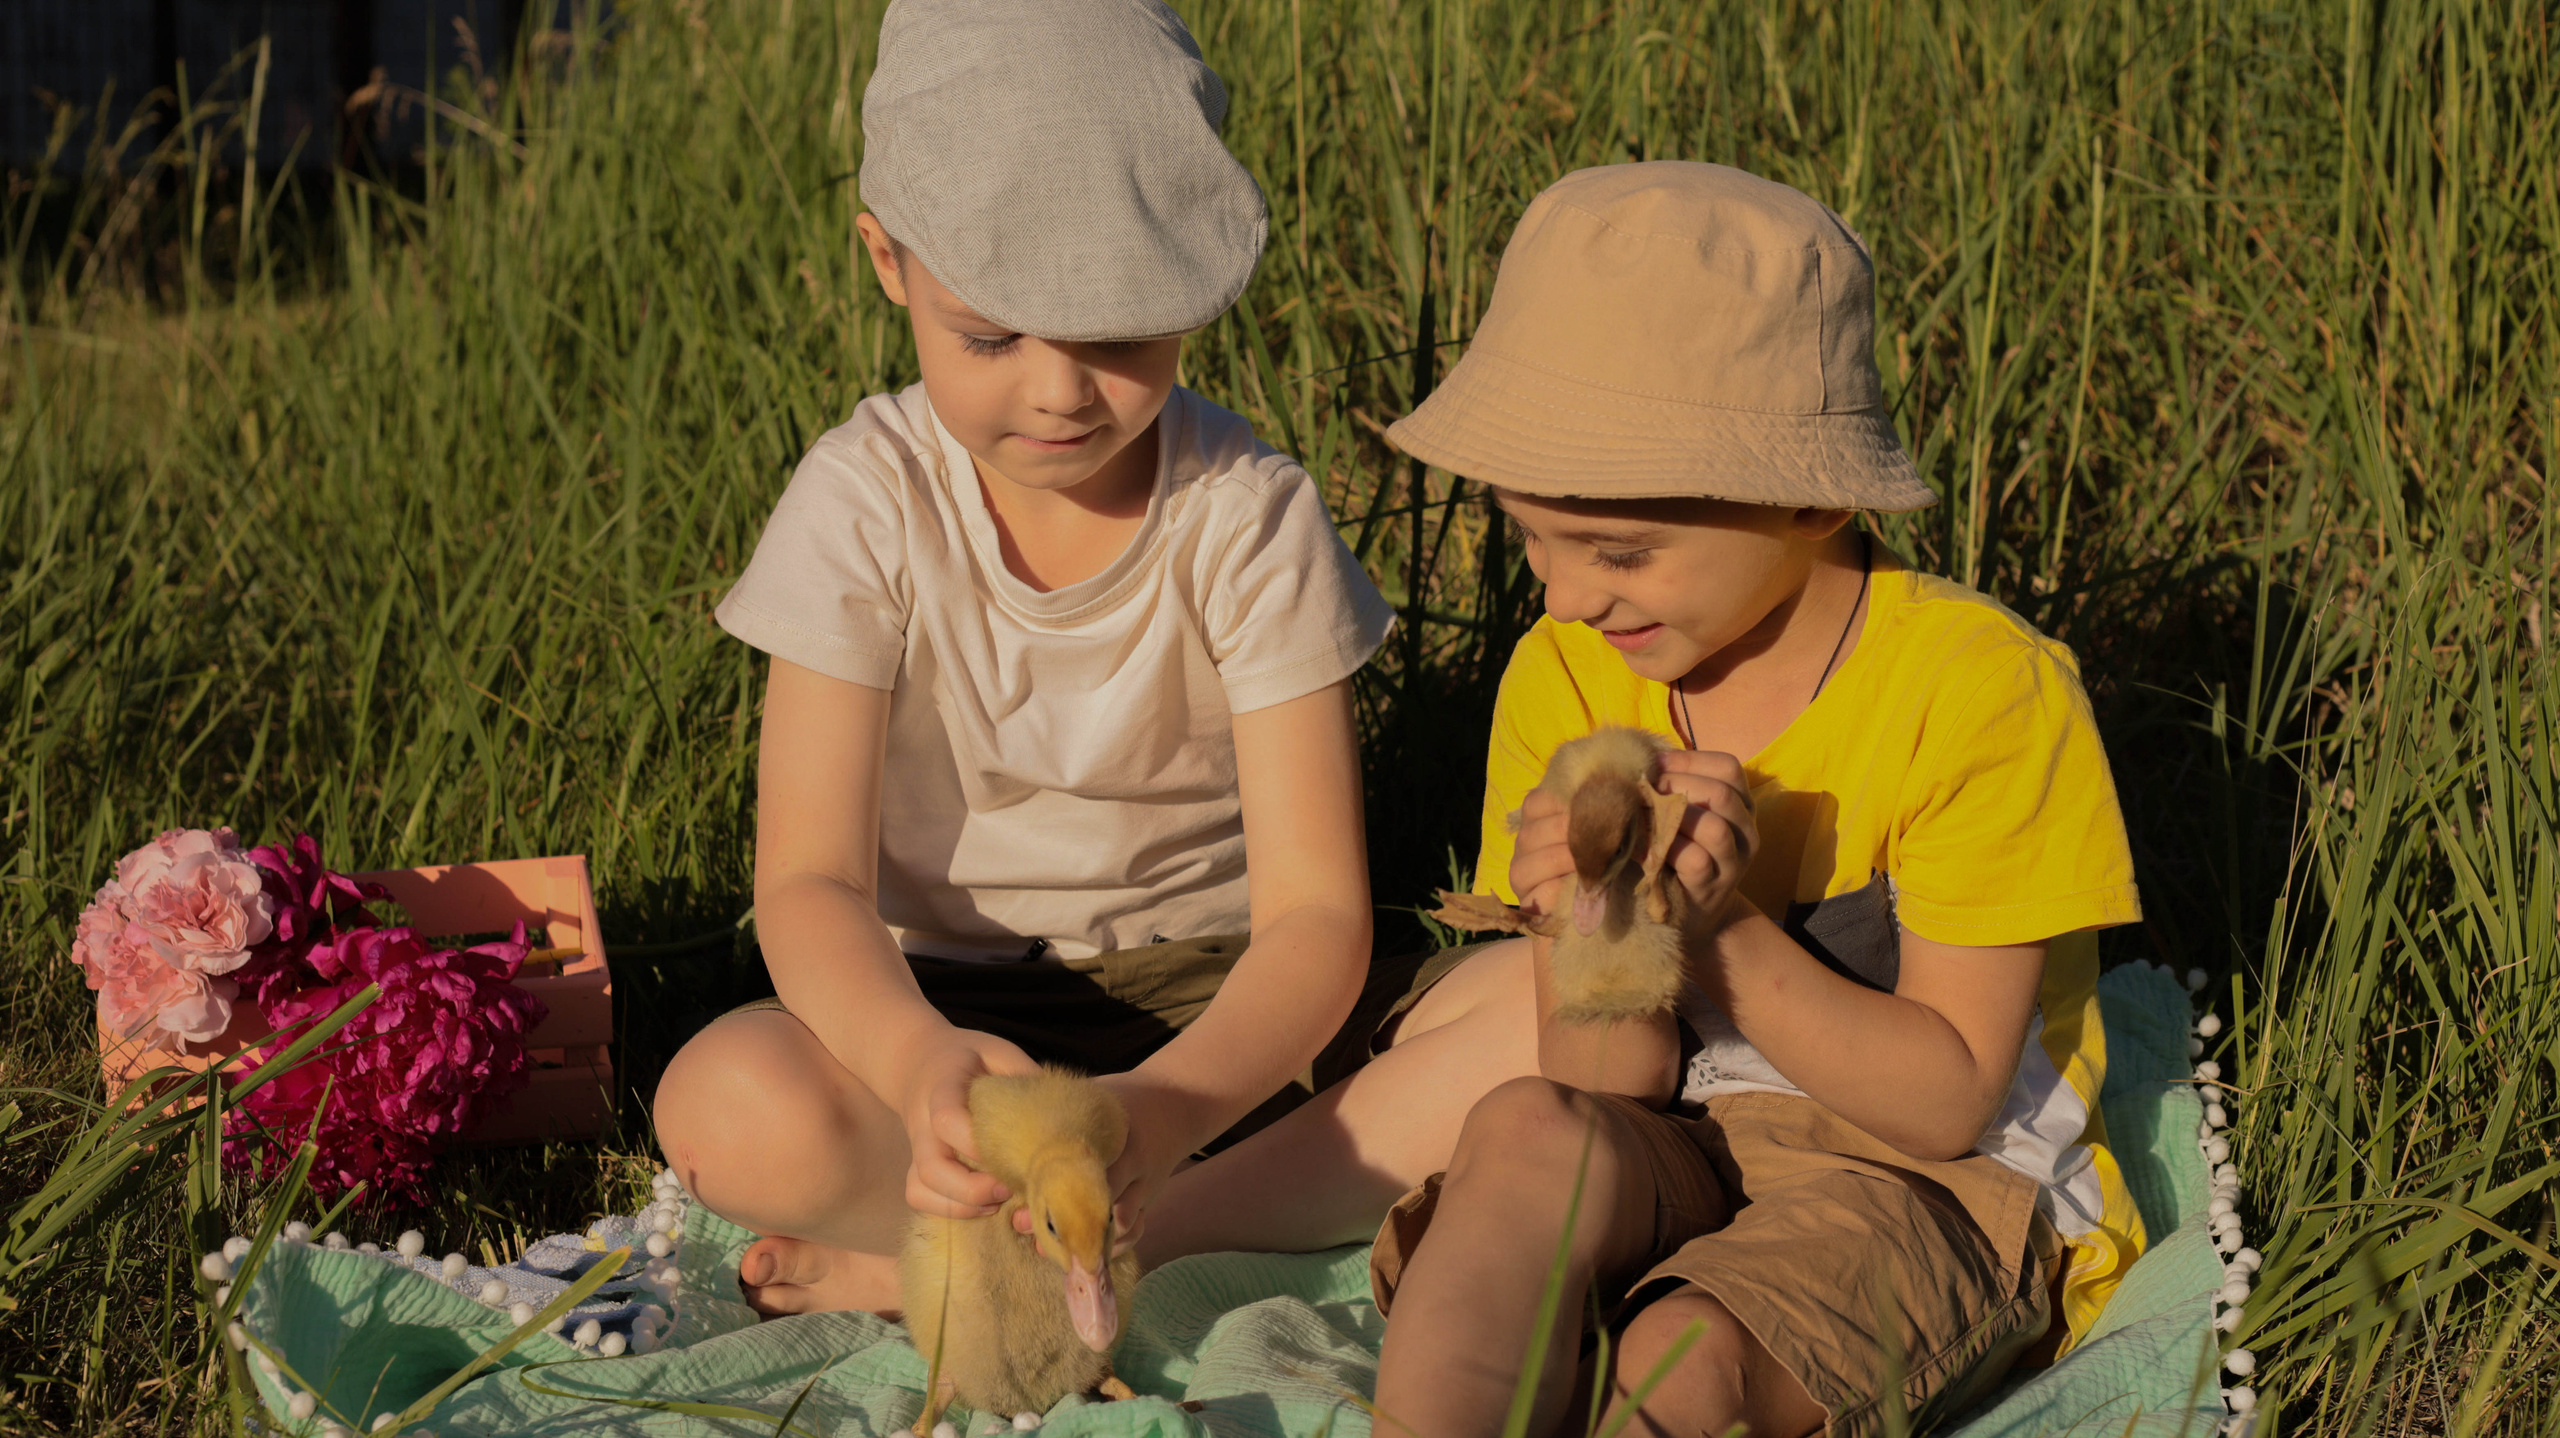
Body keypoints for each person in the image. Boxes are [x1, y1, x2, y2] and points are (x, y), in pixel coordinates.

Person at [650, 0, 1430, 1316]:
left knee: (1560, 1026)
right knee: (724, 1099)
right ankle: (1057, 1242)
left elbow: (1314, 919)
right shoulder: (865, 501)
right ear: (888, 262)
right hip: (944, 1010)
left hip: (1214, 1016)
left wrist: (1166, 1110)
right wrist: (914, 1065)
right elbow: (810, 881)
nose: (1063, 390)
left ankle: (1065, 1249)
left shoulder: (1248, 513)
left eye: (1120, 333)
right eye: (995, 336)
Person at [1361, 162, 2152, 1438]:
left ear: (1809, 497)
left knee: (1681, 1356)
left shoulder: (1980, 693)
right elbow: (1610, 1080)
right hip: (1676, 1131)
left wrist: (1719, 931)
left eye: (1615, 550)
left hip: (1925, 1181)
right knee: (1517, 1133)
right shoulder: (1567, 670)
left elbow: (1947, 1102)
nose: (1563, 595)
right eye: (1529, 537)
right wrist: (1598, 924)